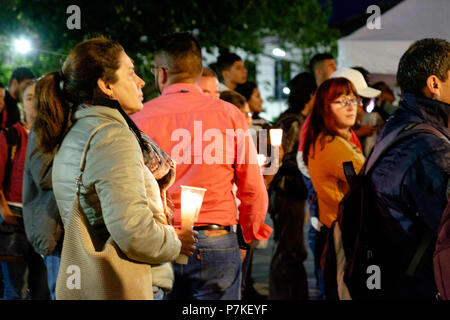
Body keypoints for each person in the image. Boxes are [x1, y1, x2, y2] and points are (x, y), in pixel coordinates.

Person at [33, 37, 195, 300]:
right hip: (125, 285)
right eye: (131, 72)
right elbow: (134, 233)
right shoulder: (111, 138)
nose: (141, 81)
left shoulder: (79, 130)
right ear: (106, 85)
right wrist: (175, 242)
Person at [132, 32, 271, 300]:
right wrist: (251, 231)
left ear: (161, 73)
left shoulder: (139, 118)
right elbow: (251, 183)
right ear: (197, 72)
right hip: (216, 237)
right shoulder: (229, 114)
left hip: (161, 239)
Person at [369, 38, 450, 299]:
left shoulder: (399, 125)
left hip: (391, 275)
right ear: (434, 84)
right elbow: (445, 227)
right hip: (419, 283)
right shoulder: (429, 146)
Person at [303, 78, 366, 285]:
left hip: (336, 231)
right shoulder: (332, 145)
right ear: (325, 108)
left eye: (353, 100)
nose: (351, 107)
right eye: (341, 101)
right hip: (342, 235)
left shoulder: (334, 139)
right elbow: (364, 181)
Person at [0, 80, 50, 300]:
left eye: (37, 97)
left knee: (42, 289)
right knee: (15, 291)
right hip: (14, 218)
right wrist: (5, 213)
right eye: (29, 98)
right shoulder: (10, 136)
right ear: (21, 105)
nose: (34, 103)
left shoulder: (52, 139)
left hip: (44, 221)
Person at [268, 72, 316, 300]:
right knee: (287, 249)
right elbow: (279, 159)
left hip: (295, 192)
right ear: (310, 95)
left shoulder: (298, 119)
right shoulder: (292, 122)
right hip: (287, 192)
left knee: (295, 249)